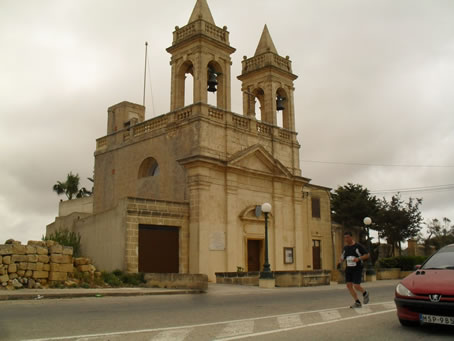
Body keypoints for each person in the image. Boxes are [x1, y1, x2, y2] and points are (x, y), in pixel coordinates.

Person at [337, 231, 370, 308]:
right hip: (348, 268)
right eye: (345, 237)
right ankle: (357, 302)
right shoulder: (345, 248)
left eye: (348, 237)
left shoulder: (358, 246)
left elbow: (367, 255)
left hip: (357, 268)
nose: (346, 239)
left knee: (356, 285)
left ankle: (365, 292)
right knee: (349, 285)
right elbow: (342, 257)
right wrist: (339, 262)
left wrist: (358, 258)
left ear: (351, 237)